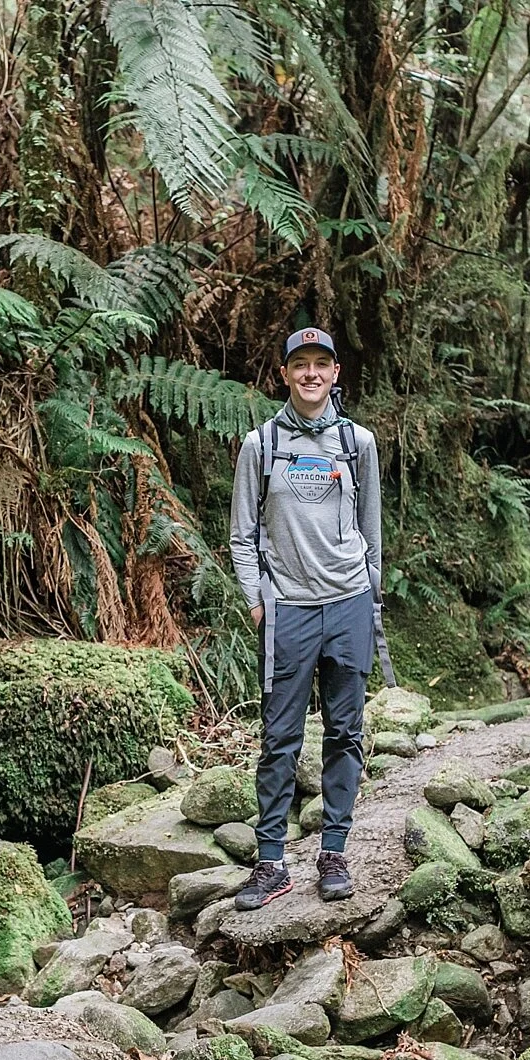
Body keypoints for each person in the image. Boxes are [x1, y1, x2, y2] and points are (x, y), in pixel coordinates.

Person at [227, 327, 393, 909]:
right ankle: (271, 862)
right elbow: (241, 534)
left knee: (345, 732)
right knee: (279, 739)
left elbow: (372, 528)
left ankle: (334, 852)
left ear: (337, 373)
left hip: (348, 603)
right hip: (288, 610)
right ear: (285, 374)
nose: (311, 374)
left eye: (322, 364)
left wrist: (372, 595)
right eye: (301, 364)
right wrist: (256, 598)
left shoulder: (358, 443)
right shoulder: (262, 445)